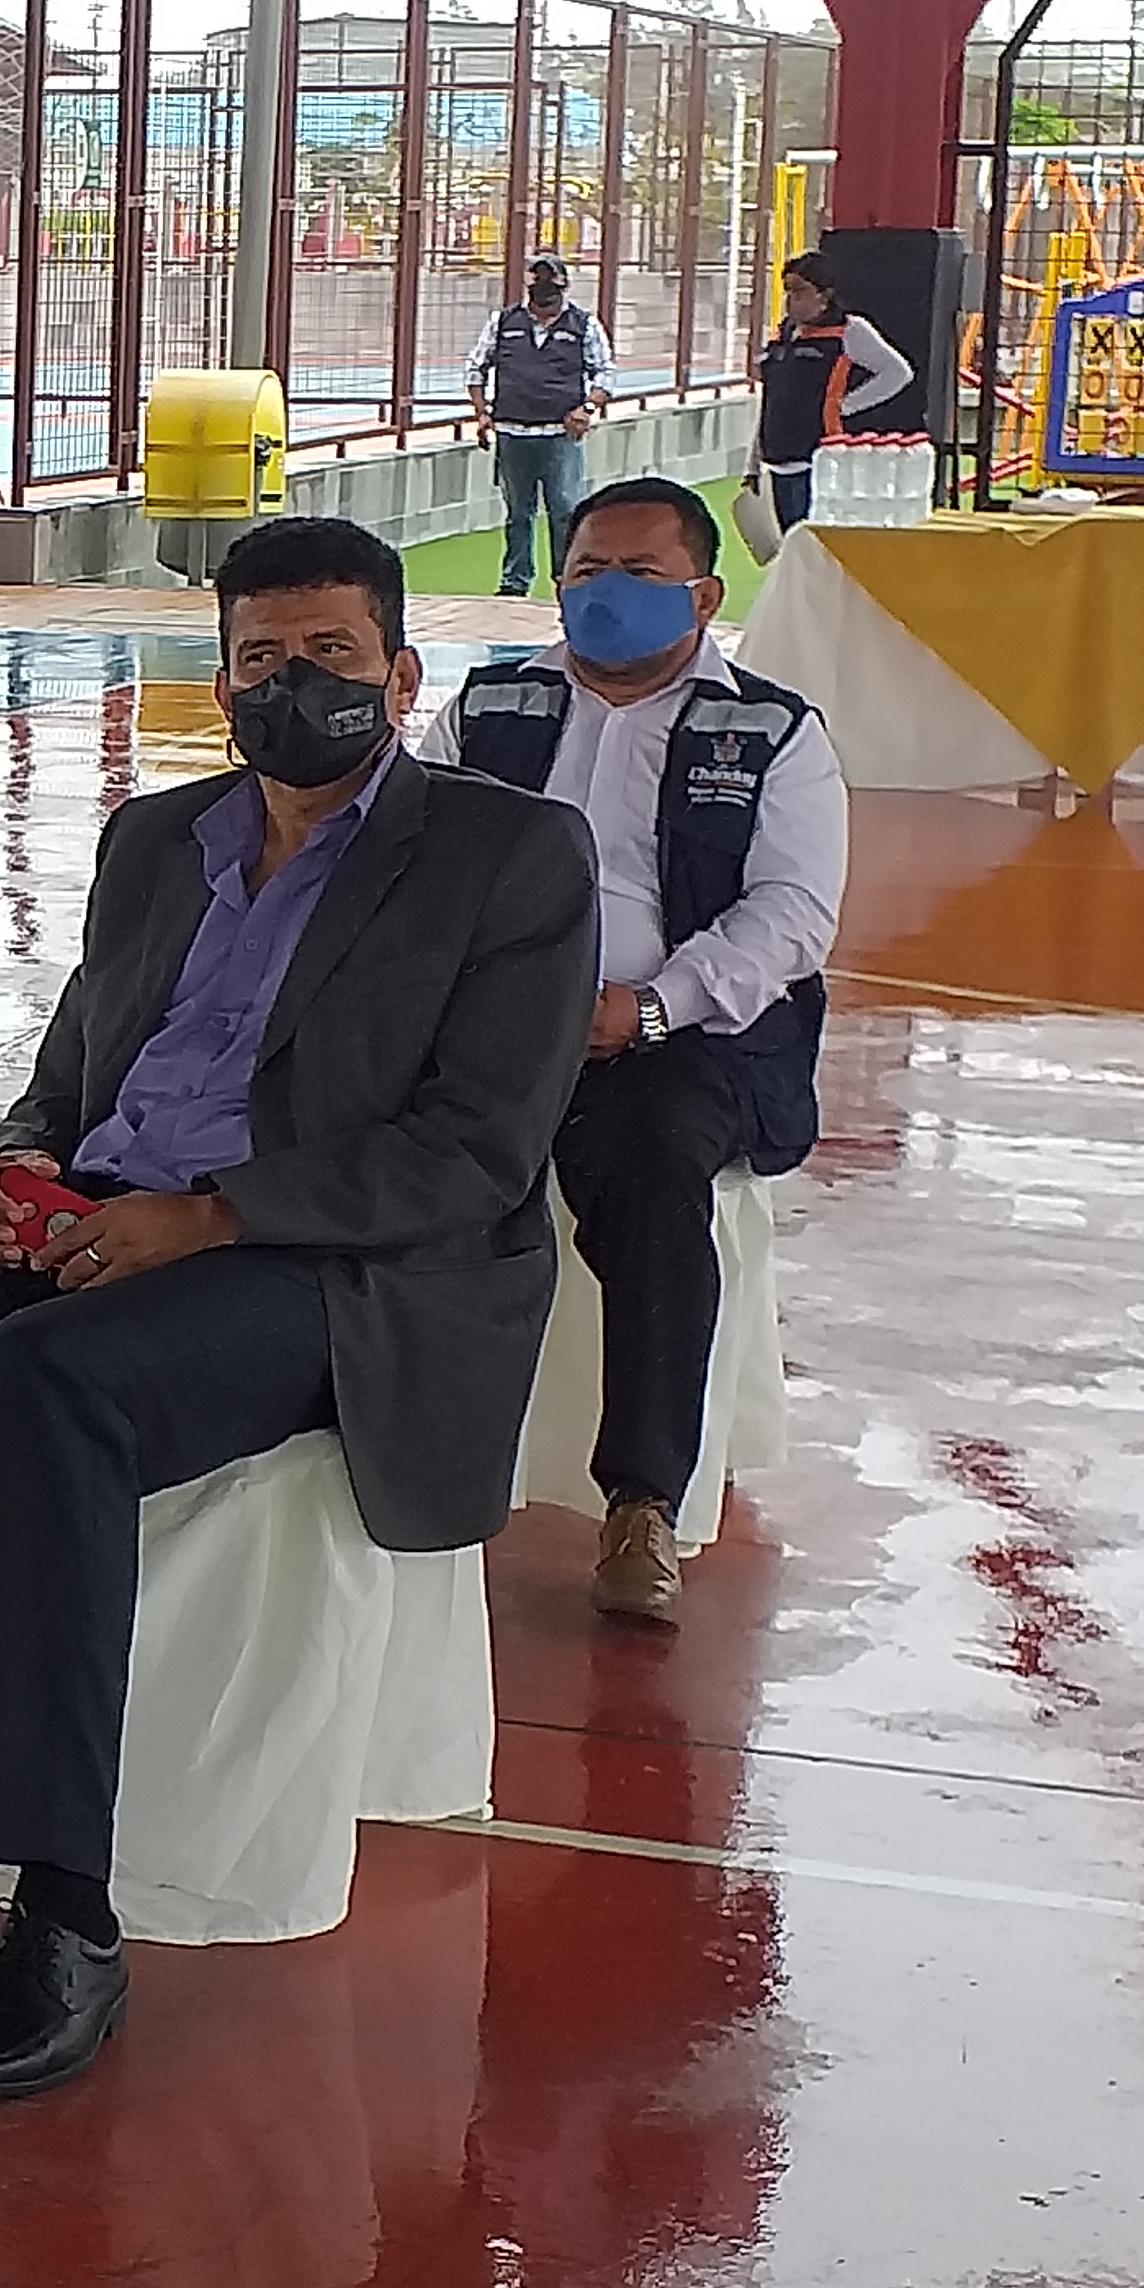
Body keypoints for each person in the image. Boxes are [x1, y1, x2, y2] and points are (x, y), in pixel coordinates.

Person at [0, 514, 598, 2102]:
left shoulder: (508, 856)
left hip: (340, 1268)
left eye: (329, 653)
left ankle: (65, 1910)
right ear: (219, 677)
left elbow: (476, 1151)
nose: (291, 686)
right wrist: (15, 1165)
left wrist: (211, 1218)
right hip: (110, 1217)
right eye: (259, 658)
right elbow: (74, 1071)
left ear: (401, 674)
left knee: (51, 1382)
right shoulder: (159, 842)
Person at [410, 474, 844, 1622]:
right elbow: (415, 859)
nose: (606, 594)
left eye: (640, 574)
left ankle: (642, 1499)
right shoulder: (493, 707)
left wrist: (647, 1007)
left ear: (703, 596)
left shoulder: (771, 731)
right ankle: (393, 1457)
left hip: (677, 1037)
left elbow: (791, 917)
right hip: (495, 1029)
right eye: (587, 571)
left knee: (655, 1172)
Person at [465, 254, 615, 600]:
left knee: (565, 510)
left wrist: (587, 408)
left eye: (551, 283)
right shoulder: (503, 322)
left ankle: (566, 580)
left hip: (560, 435)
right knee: (518, 513)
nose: (544, 291)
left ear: (563, 286)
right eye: (538, 282)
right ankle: (515, 582)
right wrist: (482, 411)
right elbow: (476, 367)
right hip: (512, 432)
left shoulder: (584, 325)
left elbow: (605, 372)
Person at [749, 251, 911, 533]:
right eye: (787, 291)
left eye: (800, 292)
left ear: (824, 295)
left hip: (819, 459)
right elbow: (770, 400)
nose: (791, 300)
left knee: (813, 542)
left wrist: (843, 405)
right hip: (776, 460)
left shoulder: (849, 331)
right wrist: (751, 463)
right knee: (786, 544)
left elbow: (898, 372)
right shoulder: (784, 334)